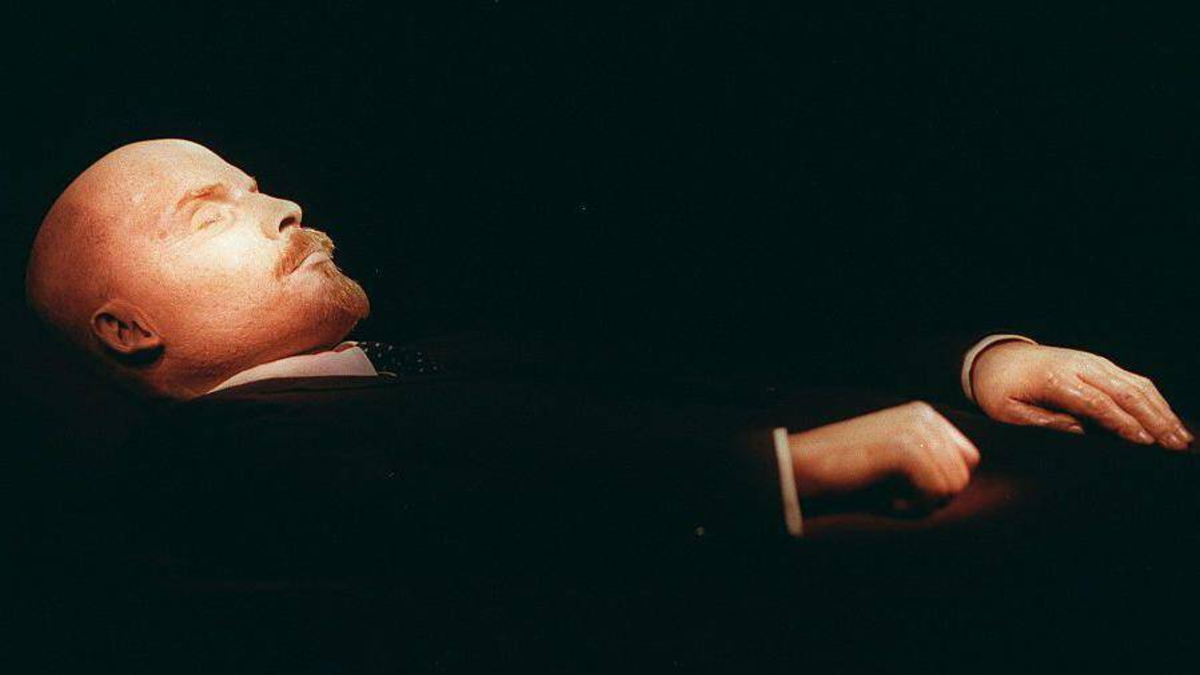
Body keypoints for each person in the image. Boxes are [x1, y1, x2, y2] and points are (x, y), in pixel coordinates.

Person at [23, 139, 1193, 547]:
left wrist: (981, 362)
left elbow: (706, 342)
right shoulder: (202, 456)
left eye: (258, 185)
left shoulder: (460, 347)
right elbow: (468, 493)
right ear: (128, 329)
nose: (280, 206)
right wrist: (787, 471)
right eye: (211, 212)